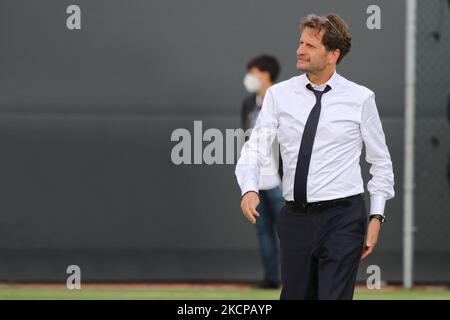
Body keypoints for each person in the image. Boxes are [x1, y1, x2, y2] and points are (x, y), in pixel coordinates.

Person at [235, 13, 395, 300]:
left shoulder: (361, 98)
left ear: (333, 54)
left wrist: (376, 216)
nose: (300, 50)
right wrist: (249, 187)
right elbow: (254, 147)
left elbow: (380, 161)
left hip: (343, 218)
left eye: (310, 45)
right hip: (295, 218)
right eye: (300, 42)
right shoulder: (279, 95)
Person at [241, 55, 285, 289]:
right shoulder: (249, 104)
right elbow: (248, 140)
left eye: (254, 72)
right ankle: (270, 279)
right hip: (258, 182)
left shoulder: (284, 100)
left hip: (280, 182)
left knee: (289, 234)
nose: (249, 78)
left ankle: (295, 280)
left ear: (266, 74)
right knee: (264, 232)